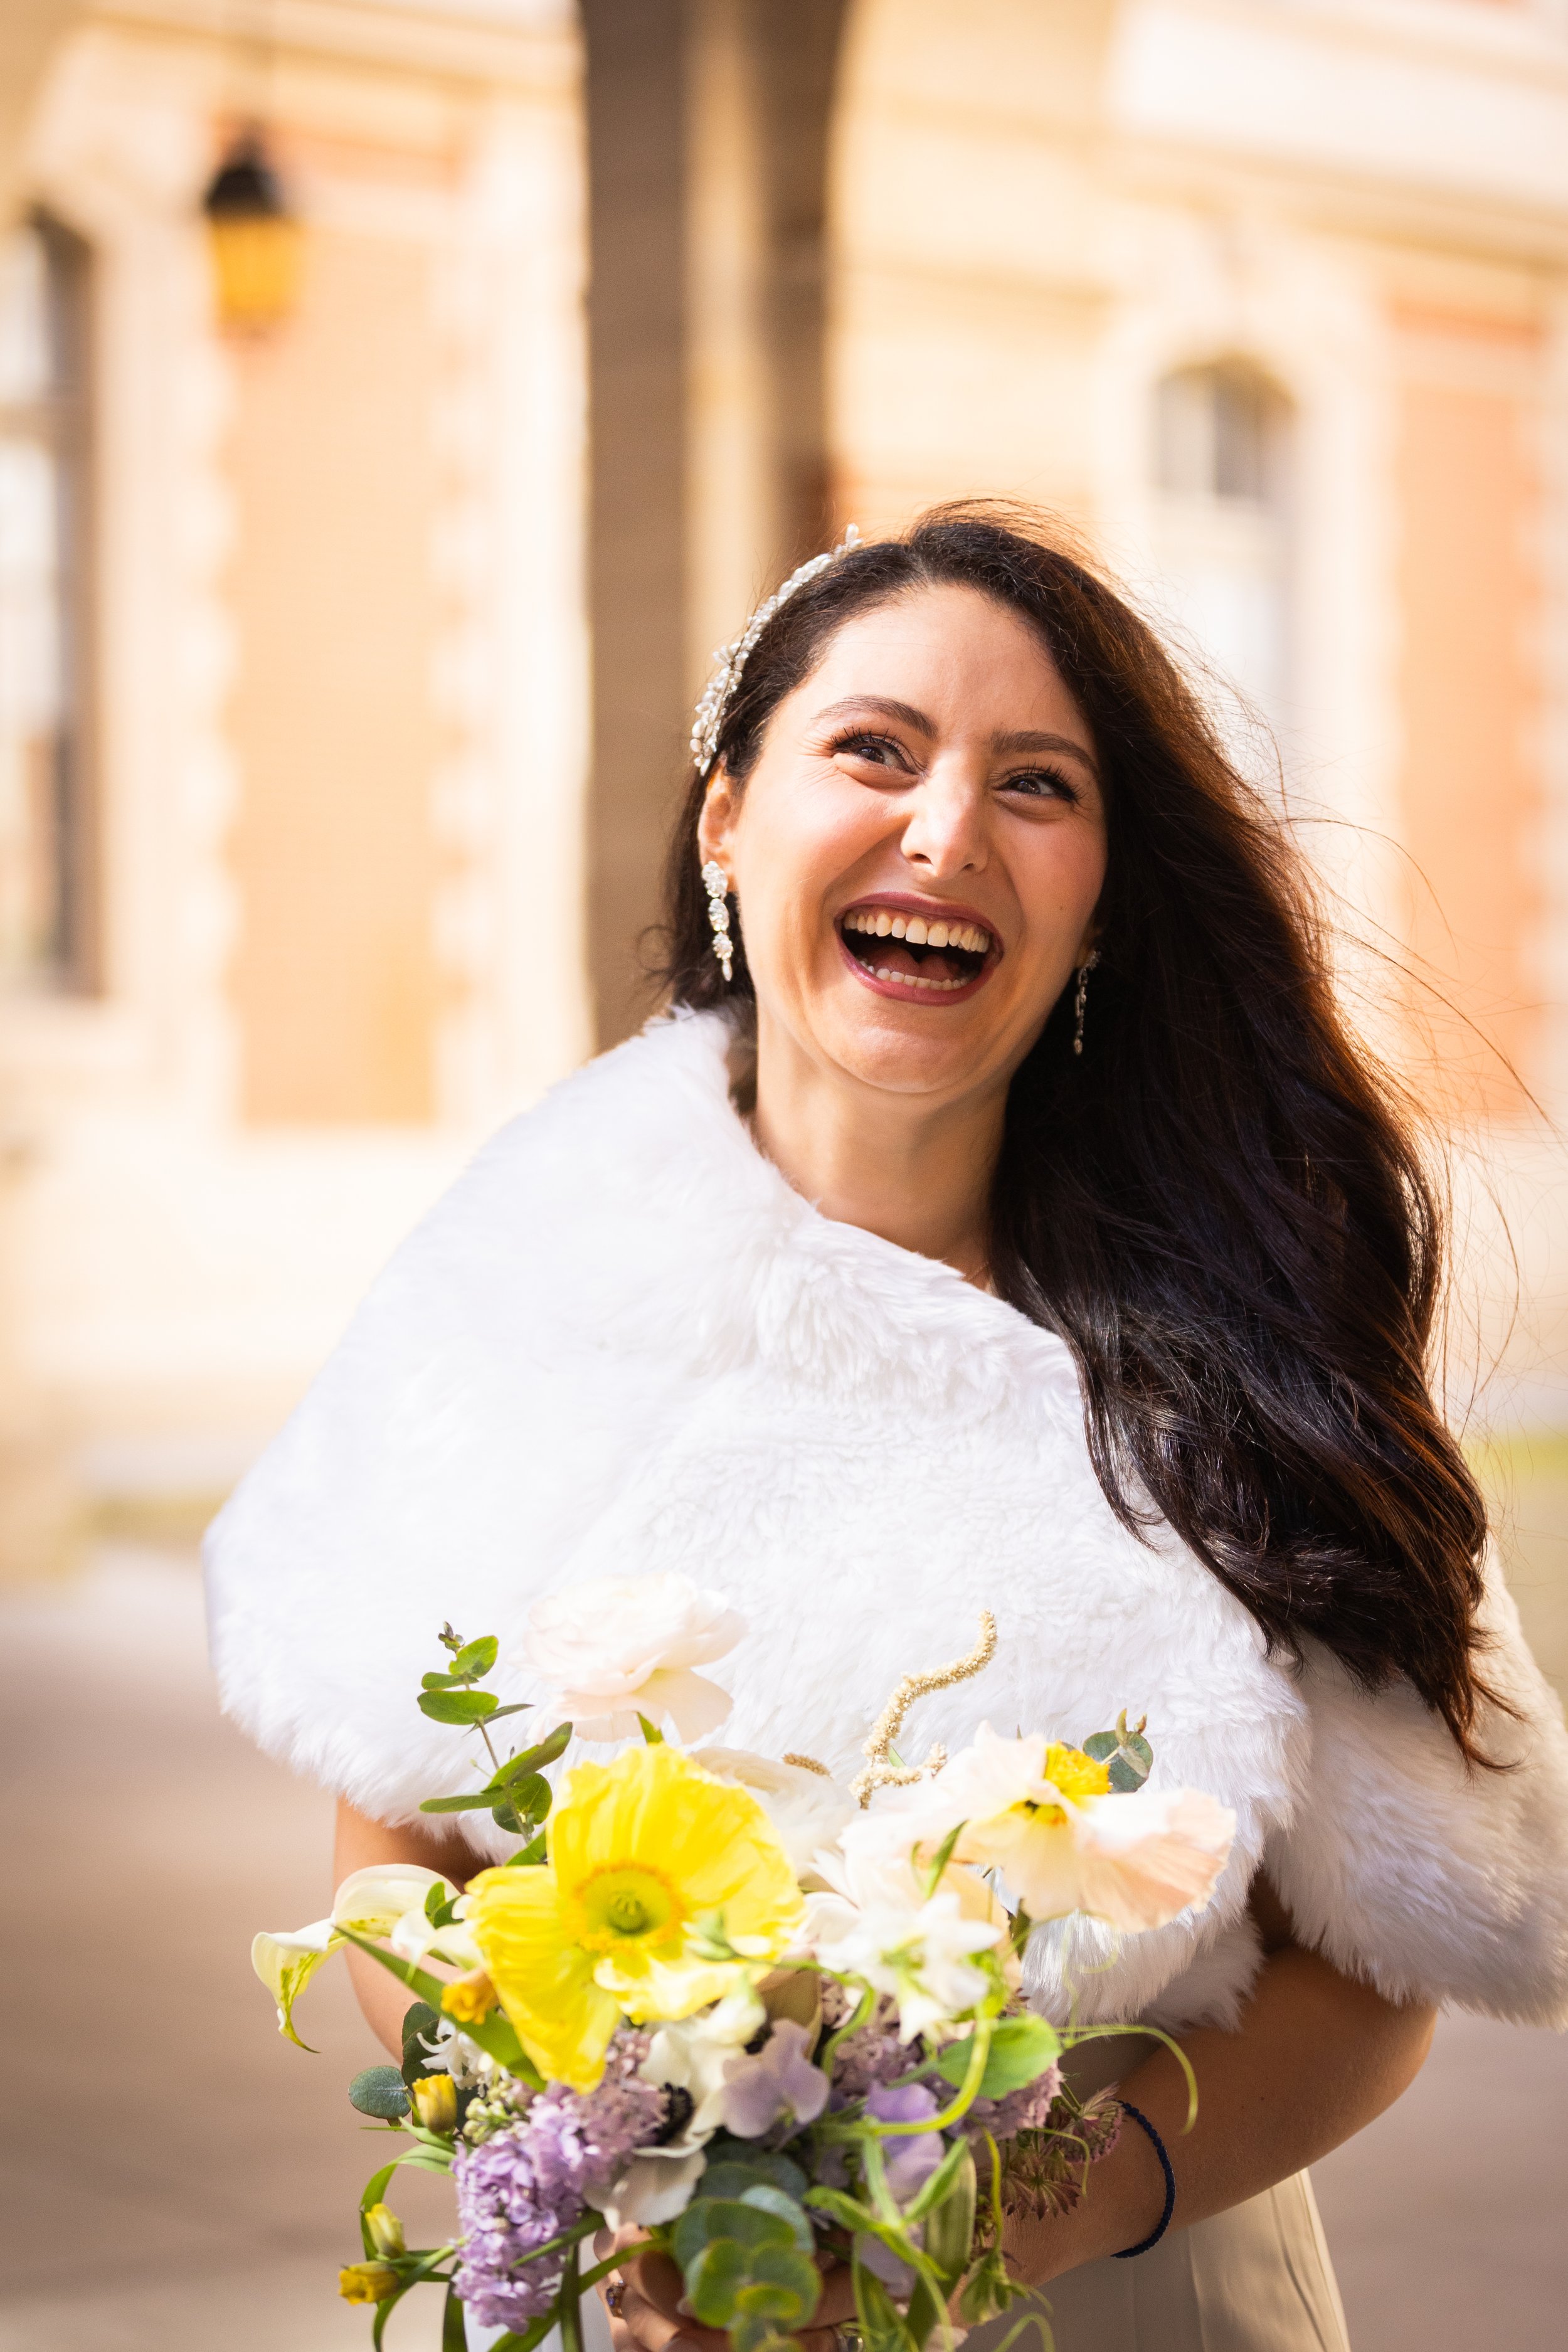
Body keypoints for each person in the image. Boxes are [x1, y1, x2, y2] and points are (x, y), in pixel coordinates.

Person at [206, 504, 1568, 2352]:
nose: (942, 832)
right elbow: (396, 1874)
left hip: (1134, 2300)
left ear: (1100, 889)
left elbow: (1382, 1974)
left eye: (1036, 784)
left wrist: (980, 2229)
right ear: (725, 817)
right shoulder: (519, 1280)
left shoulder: (1253, 1334)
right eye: (872, 749)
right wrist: (612, 2169)